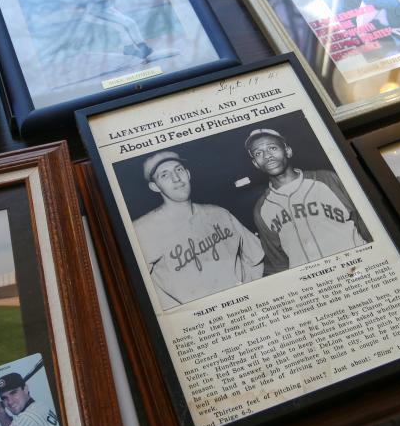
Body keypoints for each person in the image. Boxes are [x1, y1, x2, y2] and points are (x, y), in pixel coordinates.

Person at [131, 150, 265, 309]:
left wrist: (249, 290)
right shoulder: (141, 230)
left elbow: (255, 257)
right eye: (164, 175)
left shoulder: (219, 213)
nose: (176, 178)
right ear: (154, 186)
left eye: (179, 169)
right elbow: (137, 291)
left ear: (187, 174)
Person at [245, 128, 369, 274]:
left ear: (288, 151)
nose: (267, 156)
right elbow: (278, 261)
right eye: (258, 153)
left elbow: (365, 222)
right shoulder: (261, 207)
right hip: (313, 280)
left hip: (355, 268)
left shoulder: (327, 179)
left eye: (272, 148)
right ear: (255, 163)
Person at [61, 0, 153, 60]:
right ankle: (142, 48)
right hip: (93, 13)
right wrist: (76, 11)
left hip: (106, 8)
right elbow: (68, 4)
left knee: (122, 26)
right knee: (128, 23)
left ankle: (128, 48)